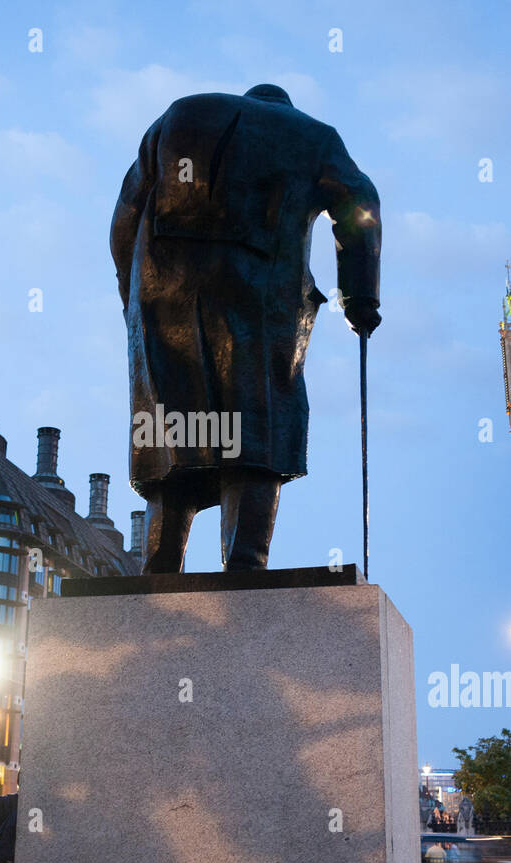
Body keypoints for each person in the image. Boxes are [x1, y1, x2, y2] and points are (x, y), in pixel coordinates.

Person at [111, 83, 382, 572]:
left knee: (172, 424)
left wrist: (134, 297)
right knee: (256, 414)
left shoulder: (176, 115)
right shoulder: (312, 136)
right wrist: (358, 297)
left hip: (160, 294)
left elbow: (125, 217)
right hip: (257, 295)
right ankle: (245, 561)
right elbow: (360, 203)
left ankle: (160, 561)